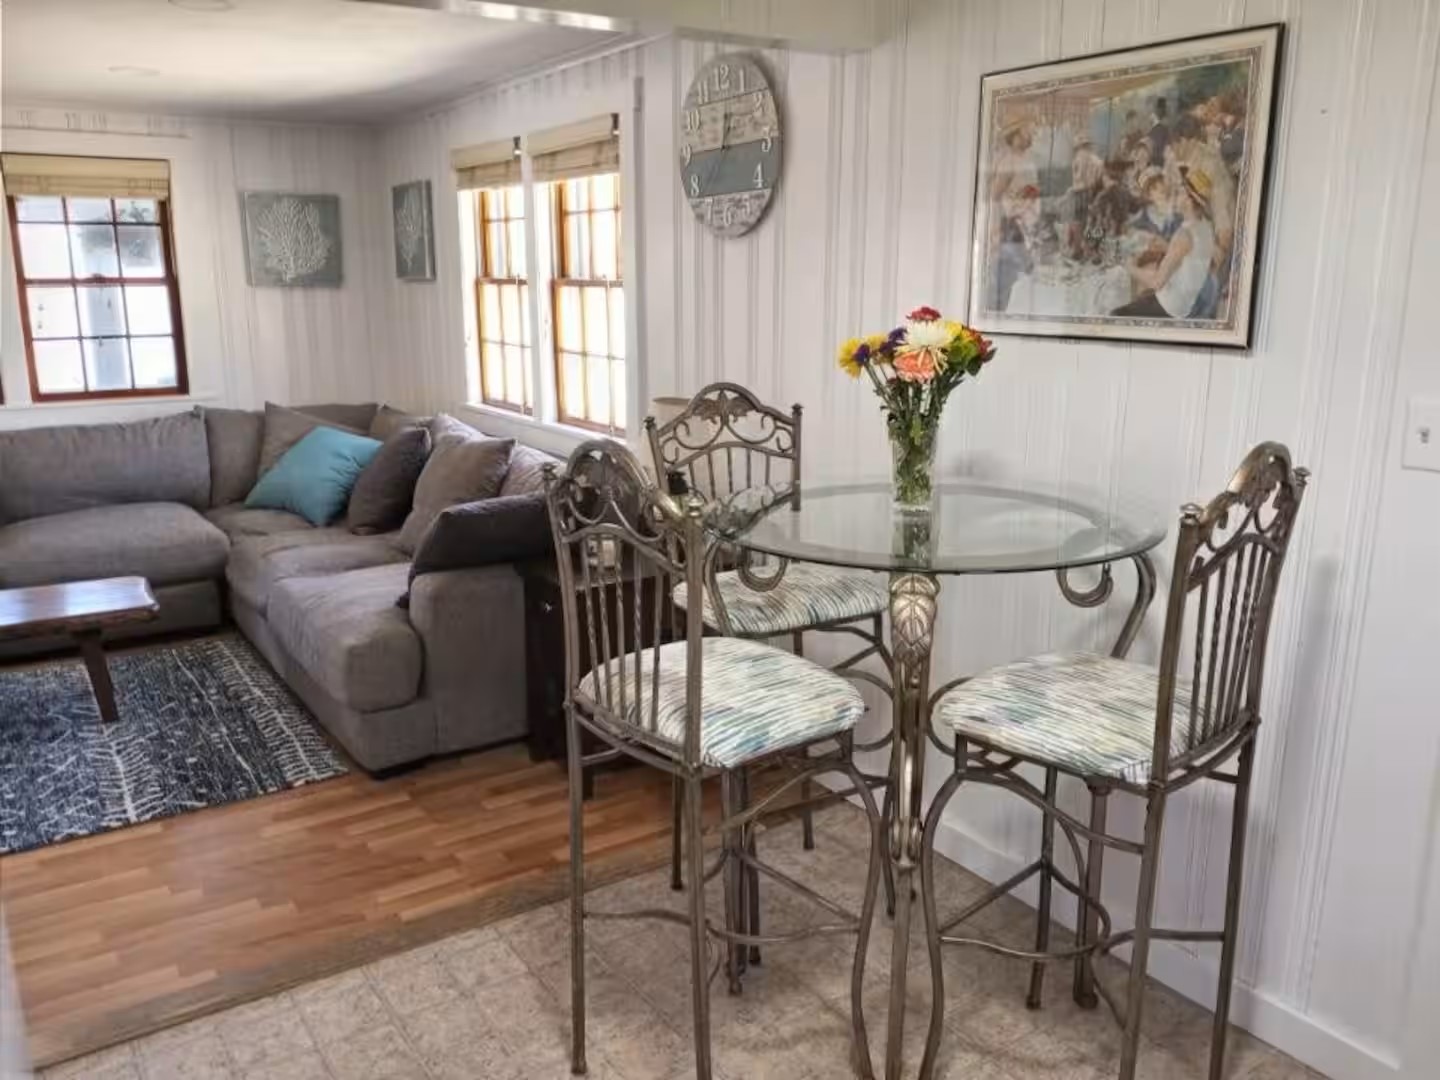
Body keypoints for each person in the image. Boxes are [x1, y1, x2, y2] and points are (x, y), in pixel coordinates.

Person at [1111, 166, 1216, 319]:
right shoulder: (1205, 226)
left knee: (1115, 314)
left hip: (1172, 306)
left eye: (1180, 192)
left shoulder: (1183, 234)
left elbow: (1156, 282)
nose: (1174, 195)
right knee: (1140, 296)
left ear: (1189, 200)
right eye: (1153, 189)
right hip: (1186, 302)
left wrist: (1126, 265)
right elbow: (1190, 255)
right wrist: (1167, 246)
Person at [1147, 97, 1171, 163]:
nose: (1164, 110)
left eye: (1164, 108)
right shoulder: (1153, 117)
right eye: (1163, 108)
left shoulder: (1164, 119)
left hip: (1161, 146)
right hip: (1155, 143)